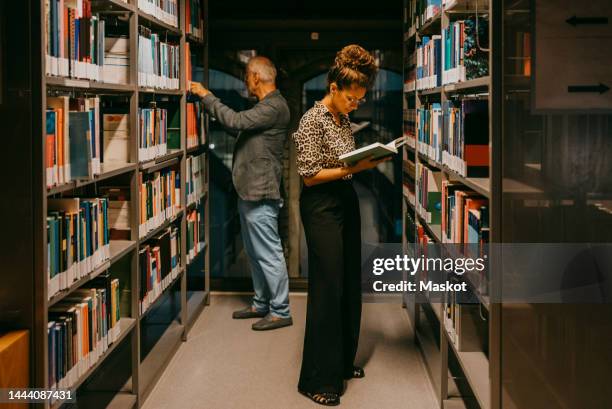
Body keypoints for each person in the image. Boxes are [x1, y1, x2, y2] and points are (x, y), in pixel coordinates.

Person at [292, 45, 389, 405]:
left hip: (345, 201)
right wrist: (356, 168)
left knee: (349, 280)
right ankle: (318, 378)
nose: (355, 105)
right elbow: (310, 175)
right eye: (351, 98)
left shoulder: (341, 119)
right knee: (328, 287)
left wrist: (363, 159)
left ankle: (342, 363)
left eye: (359, 100)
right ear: (334, 88)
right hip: (321, 206)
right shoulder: (312, 120)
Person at [190, 56, 293, 331]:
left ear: (256, 77)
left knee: (268, 253)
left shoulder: (274, 106)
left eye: (247, 76)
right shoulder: (264, 107)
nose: (246, 82)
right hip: (250, 191)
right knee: (255, 252)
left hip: (261, 193)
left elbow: (236, 121)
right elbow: (236, 125)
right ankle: (261, 303)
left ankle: (281, 310)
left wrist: (207, 97)